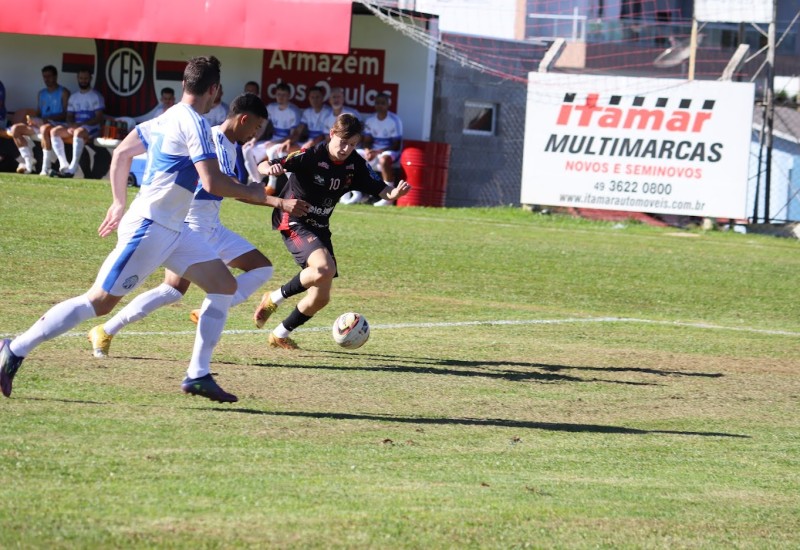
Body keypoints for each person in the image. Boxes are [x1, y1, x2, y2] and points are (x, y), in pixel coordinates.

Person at [0, 55, 276, 403]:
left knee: (223, 285)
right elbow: (212, 181)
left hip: (173, 229)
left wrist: (118, 202)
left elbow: (122, 154)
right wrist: (253, 191)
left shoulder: (168, 117)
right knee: (98, 303)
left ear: (184, 85)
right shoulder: (194, 123)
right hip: (151, 227)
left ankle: (197, 374)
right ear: (215, 89)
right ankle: (15, 348)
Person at [87, 92, 310, 358]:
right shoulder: (210, 139)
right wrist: (276, 201)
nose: (255, 134)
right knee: (172, 290)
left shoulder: (235, 148)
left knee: (261, 267)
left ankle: (209, 315)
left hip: (212, 226)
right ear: (244, 119)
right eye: (256, 127)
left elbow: (239, 192)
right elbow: (214, 187)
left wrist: (265, 196)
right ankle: (107, 329)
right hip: (189, 225)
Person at [252, 113, 411, 349]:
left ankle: (279, 333)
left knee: (320, 297)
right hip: (294, 219)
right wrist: (270, 168)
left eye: (353, 144)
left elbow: (380, 188)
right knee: (324, 268)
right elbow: (264, 164)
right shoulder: (311, 155)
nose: (347, 148)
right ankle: (273, 298)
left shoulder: (354, 164)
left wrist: (393, 194)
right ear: (332, 134)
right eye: (343, 142)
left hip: (320, 227)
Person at [344, 93, 404, 206]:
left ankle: (389, 197)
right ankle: (355, 193)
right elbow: (366, 140)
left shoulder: (395, 120)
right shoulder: (370, 120)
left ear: (388, 104)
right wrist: (367, 150)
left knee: (384, 160)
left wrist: (377, 152)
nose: (380, 105)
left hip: (390, 152)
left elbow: (396, 145)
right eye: (377, 103)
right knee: (351, 155)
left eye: (383, 103)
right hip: (374, 151)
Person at [8, 65, 70, 175]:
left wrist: (46, 120)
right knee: (15, 129)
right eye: (44, 77)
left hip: (56, 124)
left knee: (44, 128)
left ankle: (45, 168)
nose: (47, 79)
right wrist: (32, 119)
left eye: (49, 76)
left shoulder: (64, 92)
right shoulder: (41, 93)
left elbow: (66, 115)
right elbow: (39, 113)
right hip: (41, 124)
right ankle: (28, 161)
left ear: (55, 76)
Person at [242, 82, 302, 193]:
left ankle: (271, 185)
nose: (281, 97)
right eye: (279, 94)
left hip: (284, 142)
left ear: (289, 96)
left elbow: (294, 135)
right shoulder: (271, 108)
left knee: (272, 150)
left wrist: (276, 142)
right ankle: (257, 183)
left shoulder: (294, 111)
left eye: (284, 95)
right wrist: (254, 140)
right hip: (272, 141)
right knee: (247, 149)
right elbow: (262, 127)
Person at [49, 69, 105, 178]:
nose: (83, 81)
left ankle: (72, 169)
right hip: (77, 127)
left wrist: (78, 126)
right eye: (81, 78)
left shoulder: (96, 96)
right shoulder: (73, 97)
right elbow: (69, 116)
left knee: (78, 132)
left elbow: (99, 118)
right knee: (54, 131)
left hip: (91, 128)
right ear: (77, 79)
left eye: (86, 78)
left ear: (90, 79)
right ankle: (64, 165)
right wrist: (70, 125)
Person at [298, 85, 332, 150]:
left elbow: (326, 135)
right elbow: (298, 130)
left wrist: (311, 143)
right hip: (308, 143)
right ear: (309, 98)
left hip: (323, 144)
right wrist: (289, 141)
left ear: (322, 98)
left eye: (317, 97)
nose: (315, 100)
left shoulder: (329, 112)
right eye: (312, 97)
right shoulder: (307, 112)